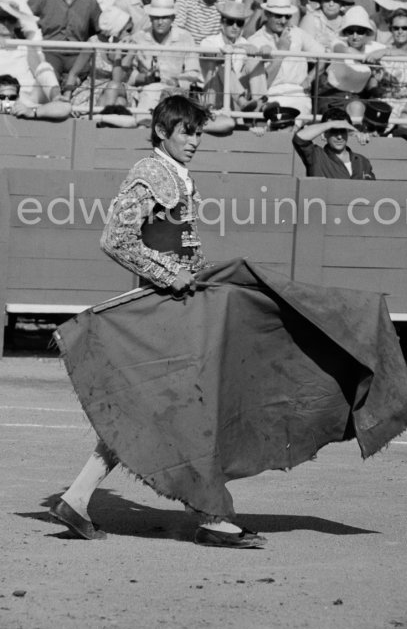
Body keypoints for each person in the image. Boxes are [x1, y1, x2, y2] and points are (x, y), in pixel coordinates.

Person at [49, 94, 268, 547]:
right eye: (186, 132)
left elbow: (178, 238)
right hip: (163, 307)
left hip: (179, 305)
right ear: (163, 132)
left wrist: (196, 276)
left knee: (153, 407)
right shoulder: (150, 173)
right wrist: (171, 274)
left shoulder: (174, 175)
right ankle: (211, 515)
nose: (195, 141)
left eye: (199, 132)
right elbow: (115, 238)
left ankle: (78, 496)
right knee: (188, 407)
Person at [28, 0, 102, 84]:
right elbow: (23, 19)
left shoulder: (89, 1)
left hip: (78, 55)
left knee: (77, 79)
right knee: (50, 77)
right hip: (50, 53)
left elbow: (100, 29)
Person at [293, 106, 376, 178]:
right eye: (334, 131)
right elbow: (300, 138)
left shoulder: (362, 161)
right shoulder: (316, 156)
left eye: (342, 131)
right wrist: (333, 124)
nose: (339, 137)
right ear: (324, 134)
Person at [0, 72, 71, 121]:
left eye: (12, 97)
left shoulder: (23, 109)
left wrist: (31, 112)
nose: (7, 101)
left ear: (18, 98)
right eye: (2, 97)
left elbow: (65, 107)